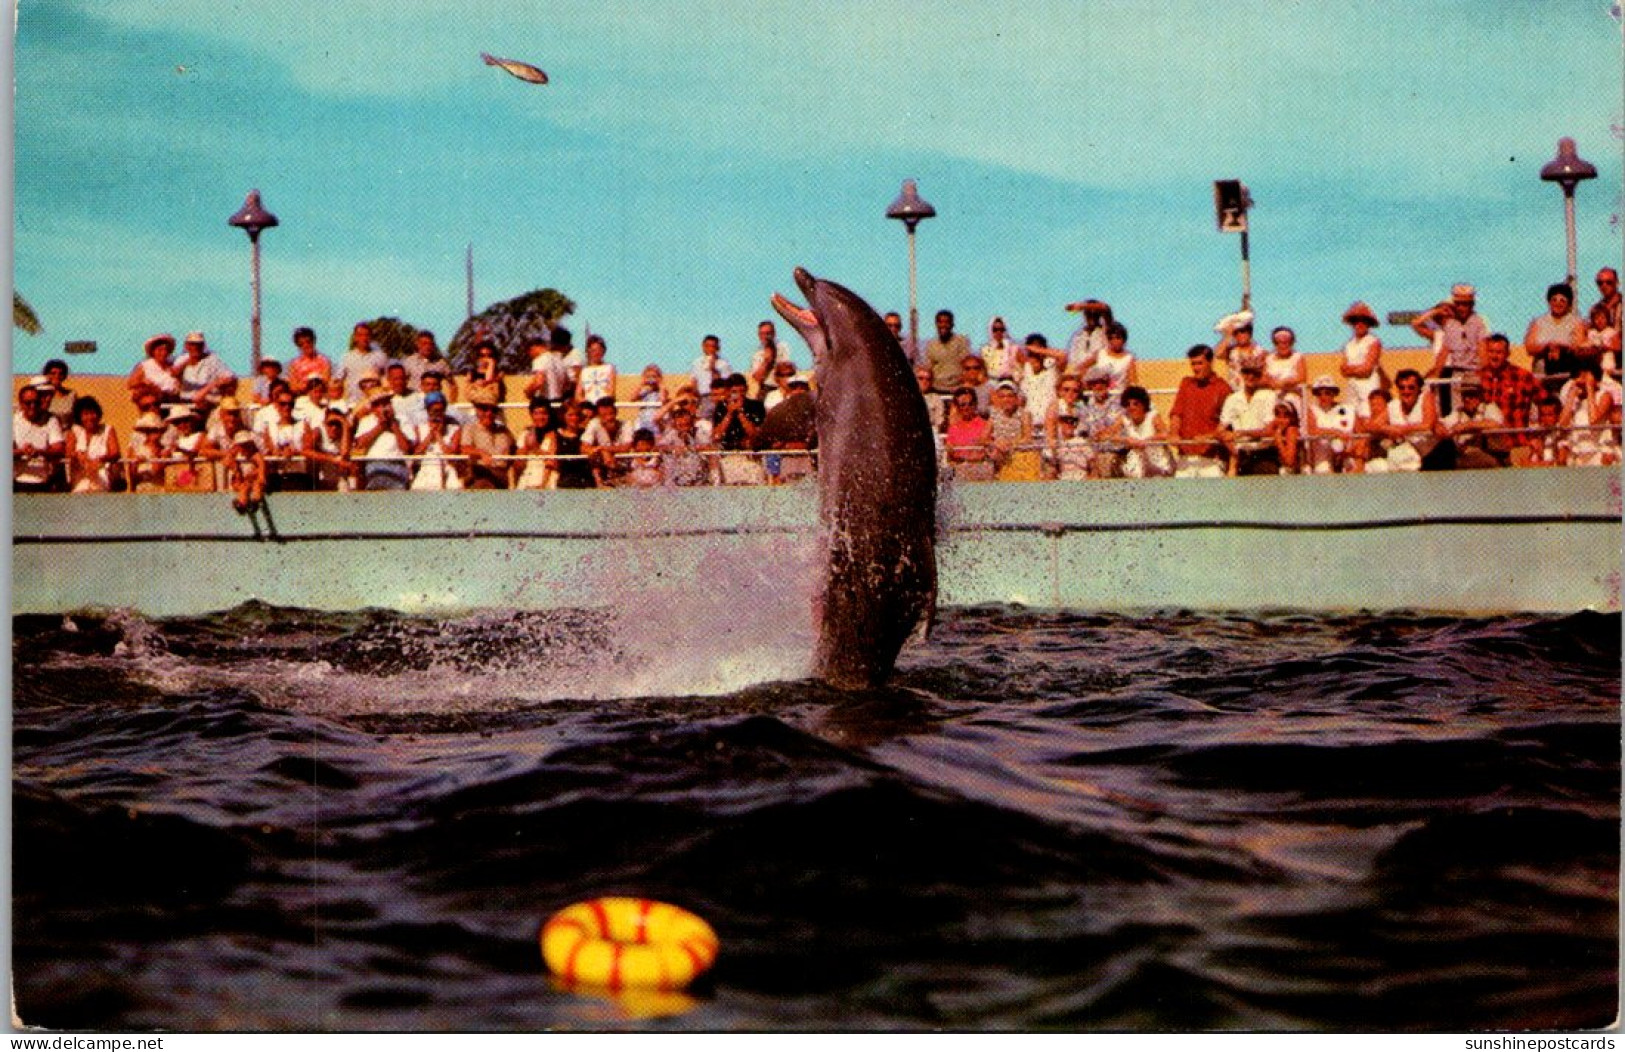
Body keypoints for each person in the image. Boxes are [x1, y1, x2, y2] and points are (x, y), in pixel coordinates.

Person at [1414, 285, 1489, 416]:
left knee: (1477, 411)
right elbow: (1444, 351)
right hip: (1456, 374)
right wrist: (1435, 378)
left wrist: (1485, 375)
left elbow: (1483, 349)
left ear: (1472, 304)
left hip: (1474, 373)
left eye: (1466, 304)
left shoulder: (1479, 322)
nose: (1462, 307)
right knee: (1456, 411)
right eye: (1459, 304)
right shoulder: (1450, 325)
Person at [1167, 344, 1233, 478]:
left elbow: (1229, 426)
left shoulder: (1223, 388)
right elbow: (1176, 414)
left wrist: (1208, 437)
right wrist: (1174, 433)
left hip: (1212, 458)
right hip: (1186, 456)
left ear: (1210, 362)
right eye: (1193, 364)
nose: (1196, 368)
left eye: (1200, 363)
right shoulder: (1186, 384)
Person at [1365, 369, 1442, 472]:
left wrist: (1402, 429)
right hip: (1413, 457)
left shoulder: (1425, 398)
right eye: (1402, 388)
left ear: (1419, 389)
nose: (1406, 391)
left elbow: (1427, 424)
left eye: (1411, 387)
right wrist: (1389, 429)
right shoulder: (1394, 406)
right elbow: (1372, 426)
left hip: (1436, 454)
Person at [1524, 282, 1590, 393]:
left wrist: (1562, 347)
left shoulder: (1576, 322)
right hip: (1542, 375)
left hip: (1567, 375)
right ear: (1549, 302)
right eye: (1554, 300)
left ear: (1569, 303)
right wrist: (1546, 347)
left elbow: (1580, 347)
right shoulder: (1539, 322)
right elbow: (1529, 347)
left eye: (1562, 300)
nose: (1557, 303)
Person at [1220, 358, 1280, 475]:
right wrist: (1233, 450)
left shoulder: (1269, 396)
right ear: (1241, 374)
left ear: (1261, 375)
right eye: (1247, 372)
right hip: (1242, 456)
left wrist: (1242, 433)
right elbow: (1220, 429)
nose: (1251, 376)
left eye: (1255, 373)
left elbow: (1269, 431)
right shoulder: (1232, 399)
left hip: (1264, 455)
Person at [1102, 385, 1173, 479]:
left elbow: (1166, 434)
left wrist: (1147, 441)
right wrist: (1126, 440)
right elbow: (1106, 435)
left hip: (1157, 459)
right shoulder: (1124, 418)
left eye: (1136, 404)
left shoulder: (1152, 416)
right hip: (1138, 462)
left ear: (1144, 405)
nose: (1131, 408)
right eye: (1128, 404)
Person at [1478, 332, 1543, 433]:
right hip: (1484, 442)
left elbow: (1545, 402)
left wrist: (1537, 434)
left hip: (1515, 440)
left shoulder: (1523, 376)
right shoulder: (1479, 377)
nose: (1494, 356)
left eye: (1499, 352)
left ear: (1508, 354)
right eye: (1491, 352)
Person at [351, 388, 413, 490]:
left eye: (386, 403)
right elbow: (360, 444)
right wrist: (380, 426)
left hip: (396, 465)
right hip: (374, 467)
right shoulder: (366, 421)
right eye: (379, 405)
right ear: (373, 408)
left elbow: (406, 448)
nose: (384, 408)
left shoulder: (402, 419)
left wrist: (394, 425)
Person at [1559, 362, 1619, 467]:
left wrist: (1590, 389)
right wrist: (1571, 398)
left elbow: (1594, 421)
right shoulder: (1575, 400)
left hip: (1598, 453)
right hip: (1578, 453)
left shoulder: (1604, 396)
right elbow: (1562, 424)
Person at [1438, 378, 1507, 469]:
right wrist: (1440, 428)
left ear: (1480, 395)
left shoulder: (1489, 408)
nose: (1467, 399)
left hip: (1492, 457)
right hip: (1465, 457)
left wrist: (1467, 425)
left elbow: (1496, 424)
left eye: (1471, 395)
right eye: (1464, 395)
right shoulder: (1458, 413)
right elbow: (1443, 424)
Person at [711, 373, 766, 484]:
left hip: (750, 457)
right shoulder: (721, 407)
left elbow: (755, 434)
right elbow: (716, 436)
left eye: (742, 391)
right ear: (727, 392)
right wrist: (730, 413)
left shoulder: (756, 406)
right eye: (734, 392)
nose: (739, 395)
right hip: (728, 457)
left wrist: (741, 413)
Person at [257, 383, 313, 491]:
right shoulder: (269, 427)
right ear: (277, 405)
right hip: (276, 475)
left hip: (298, 474)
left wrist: (295, 452)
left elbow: (308, 448)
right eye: (283, 404)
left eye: (290, 404)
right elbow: (268, 448)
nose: (287, 407)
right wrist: (277, 452)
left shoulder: (303, 425)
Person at [13, 383, 66, 493]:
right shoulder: (12, 421)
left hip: (43, 482)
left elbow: (59, 449)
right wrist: (22, 452)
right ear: (21, 404)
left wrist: (40, 452)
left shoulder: (51, 420)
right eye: (28, 403)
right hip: (16, 482)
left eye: (36, 402)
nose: (33, 406)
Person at [1075, 368, 1126, 479]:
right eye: (1094, 384)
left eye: (1101, 382)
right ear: (1090, 386)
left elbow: (1122, 427)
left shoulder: (1119, 405)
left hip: (1116, 452)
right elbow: (1082, 433)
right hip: (1093, 453)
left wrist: (1108, 434)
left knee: (1107, 461)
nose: (1098, 386)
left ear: (1107, 384)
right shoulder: (1085, 408)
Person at [408, 391, 464, 490]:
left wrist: (438, 436)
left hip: (448, 468)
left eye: (440, 410)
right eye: (434, 410)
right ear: (428, 410)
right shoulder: (420, 428)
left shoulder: (454, 429)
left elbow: (452, 457)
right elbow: (416, 455)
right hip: (426, 468)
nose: (437, 414)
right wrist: (430, 434)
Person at [65, 395, 121, 493]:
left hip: (101, 481)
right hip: (79, 482)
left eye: (92, 413)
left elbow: (115, 452)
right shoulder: (74, 431)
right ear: (80, 417)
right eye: (86, 414)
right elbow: (68, 452)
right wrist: (78, 455)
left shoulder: (108, 429)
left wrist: (101, 459)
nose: (90, 417)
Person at [461, 395, 517, 489]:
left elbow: (514, 449)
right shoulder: (471, 428)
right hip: (481, 473)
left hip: (502, 473)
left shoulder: (504, 430)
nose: (489, 413)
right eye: (484, 409)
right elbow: (465, 449)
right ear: (477, 411)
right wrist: (481, 453)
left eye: (493, 410)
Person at [1338, 301, 1386, 411]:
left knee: (1368, 412)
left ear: (1368, 324)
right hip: (1352, 387)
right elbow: (1342, 369)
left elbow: (1367, 369)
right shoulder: (1348, 344)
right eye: (1356, 321)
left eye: (1363, 321)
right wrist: (1358, 368)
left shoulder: (1373, 341)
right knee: (1351, 415)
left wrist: (1352, 369)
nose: (1359, 324)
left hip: (1368, 386)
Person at [539, 400, 597, 489]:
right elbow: (550, 462)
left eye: (577, 415)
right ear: (563, 416)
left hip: (585, 480)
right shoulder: (555, 435)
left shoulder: (586, 434)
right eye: (570, 415)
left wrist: (599, 482)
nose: (574, 418)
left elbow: (593, 462)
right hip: (565, 481)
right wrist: (543, 484)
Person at [1304, 376, 1356, 474]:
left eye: (1327, 393)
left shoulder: (1346, 409)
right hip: (1322, 457)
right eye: (1319, 394)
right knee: (1323, 470)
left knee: (1351, 467)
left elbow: (1355, 431)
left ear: (1334, 394)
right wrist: (1335, 432)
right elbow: (1313, 431)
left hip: (1345, 453)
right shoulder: (1312, 410)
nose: (1323, 397)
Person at [944, 387, 996, 481]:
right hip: (962, 466)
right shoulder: (953, 428)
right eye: (962, 405)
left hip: (981, 465)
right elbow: (950, 452)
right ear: (957, 407)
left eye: (970, 404)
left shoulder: (985, 425)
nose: (967, 408)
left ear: (975, 404)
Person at [986, 380, 1035, 480]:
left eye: (1010, 396)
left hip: (1019, 458)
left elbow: (1028, 438)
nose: (1006, 399)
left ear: (1016, 398)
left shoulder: (1024, 414)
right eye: (1002, 396)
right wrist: (995, 443)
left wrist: (1009, 444)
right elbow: (982, 438)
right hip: (999, 458)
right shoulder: (994, 415)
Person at [658, 402, 714, 486]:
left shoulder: (698, 432)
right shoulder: (672, 433)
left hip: (698, 474)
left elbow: (709, 446)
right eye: (680, 425)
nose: (684, 428)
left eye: (686, 425)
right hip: (678, 474)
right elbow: (659, 446)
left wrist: (691, 448)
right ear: (675, 424)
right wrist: (673, 448)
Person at [582, 395, 633, 486]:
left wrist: (604, 449)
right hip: (602, 467)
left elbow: (626, 447)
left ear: (616, 412)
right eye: (604, 415)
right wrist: (601, 452)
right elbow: (584, 447)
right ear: (598, 416)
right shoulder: (594, 423)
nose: (609, 418)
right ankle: (600, 483)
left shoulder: (626, 424)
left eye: (611, 414)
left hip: (624, 467)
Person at [1016, 332, 1066, 424]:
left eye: (1038, 350)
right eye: (1032, 352)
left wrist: (1037, 350)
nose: (1035, 355)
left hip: (1050, 422)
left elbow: (1062, 355)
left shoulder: (1051, 367)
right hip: (1031, 423)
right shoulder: (1026, 369)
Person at [336, 322, 388, 403]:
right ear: (355, 337)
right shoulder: (346, 357)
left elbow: (386, 378)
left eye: (367, 335)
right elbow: (338, 380)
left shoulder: (380, 356)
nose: (364, 338)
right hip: (353, 402)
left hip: (374, 402)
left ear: (371, 337)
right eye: (360, 335)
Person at [163, 405, 211, 490]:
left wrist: (180, 450)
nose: (182, 425)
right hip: (177, 478)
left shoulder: (200, 436)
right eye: (177, 422)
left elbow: (195, 454)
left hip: (196, 477)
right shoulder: (176, 441)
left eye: (185, 421)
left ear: (191, 421)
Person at [923, 310, 972, 393]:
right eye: (940, 322)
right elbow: (928, 368)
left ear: (952, 324)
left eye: (947, 322)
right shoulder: (931, 345)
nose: (943, 325)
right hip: (937, 388)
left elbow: (967, 365)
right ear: (936, 324)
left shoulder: (962, 341)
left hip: (958, 387)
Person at [127, 333, 182, 406]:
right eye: (160, 350)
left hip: (172, 401)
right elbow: (130, 383)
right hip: (153, 404)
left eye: (165, 350)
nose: (163, 353)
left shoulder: (174, 366)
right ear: (153, 351)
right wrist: (144, 382)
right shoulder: (145, 366)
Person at [307, 408, 354, 492]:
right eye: (331, 424)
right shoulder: (318, 432)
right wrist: (332, 459)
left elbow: (344, 453)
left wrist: (344, 424)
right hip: (321, 478)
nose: (334, 428)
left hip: (340, 478)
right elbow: (305, 450)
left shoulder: (345, 433)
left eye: (337, 424)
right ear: (325, 423)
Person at [514, 397, 556, 490]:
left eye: (544, 413)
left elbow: (553, 462)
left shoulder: (555, 435)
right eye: (536, 413)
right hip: (528, 478)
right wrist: (525, 448)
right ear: (531, 415)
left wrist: (536, 449)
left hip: (547, 480)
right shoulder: (525, 434)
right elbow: (518, 465)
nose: (540, 417)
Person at [1262, 326, 1307, 412]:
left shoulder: (1297, 357)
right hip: (1272, 392)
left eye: (1286, 342)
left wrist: (1286, 382)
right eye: (1279, 343)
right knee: (1263, 397)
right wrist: (1271, 383)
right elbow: (1264, 378)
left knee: (1289, 399)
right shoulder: (1269, 359)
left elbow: (1302, 378)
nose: (1283, 346)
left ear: (1291, 343)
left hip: (1292, 392)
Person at [401, 329, 455, 401]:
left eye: (430, 344)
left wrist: (451, 403)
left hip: (433, 402)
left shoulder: (441, 363)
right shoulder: (409, 362)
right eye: (424, 343)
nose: (427, 347)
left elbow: (453, 385)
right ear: (418, 344)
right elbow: (401, 382)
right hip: (414, 402)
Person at [124, 411, 171, 492]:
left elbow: (156, 469)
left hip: (157, 490)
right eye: (151, 431)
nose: (155, 434)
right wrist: (136, 464)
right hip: (141, 489)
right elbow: (132, 477)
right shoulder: (136, 449)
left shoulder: (165, 450)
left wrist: (155, 453)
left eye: (157, 430)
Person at [1062, 300, 1112, 376]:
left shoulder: (1106, 331)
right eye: (1089, 314)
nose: (1092, 317)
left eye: (1095, 314)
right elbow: (1072, 359)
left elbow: (1106, 308)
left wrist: (1081, 306)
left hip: (1100, 376)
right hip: (1079, 375)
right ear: (1085, 315)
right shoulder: (1078, 335)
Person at [524, 332, 573, 406]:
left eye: (529, 353)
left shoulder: (539, 360)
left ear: (532, 348)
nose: (531, 356)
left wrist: (528, 391)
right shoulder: (560, 359)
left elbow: (539, 382)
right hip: (559, 401)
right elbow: (567, 383)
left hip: (546, 402)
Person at [1214, 314, 1260, 390]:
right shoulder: (1231, 351)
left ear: (1249, 332)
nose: (1239, 335)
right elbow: (1217, 354)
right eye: (1235, 333)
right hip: (1235, 392)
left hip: (1253, 391)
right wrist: (1228, 335)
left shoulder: (1259, 352)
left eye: (1242, 331)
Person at [1093, 322, 1138, 400]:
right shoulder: (1100, 354)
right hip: (1099, 397)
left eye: (1118, 338)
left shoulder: (1128, 358)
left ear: (1124, 339)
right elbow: (1083, 369)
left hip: (1118, 397)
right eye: (1111, 338)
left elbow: (1132, 381)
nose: (1114, 341)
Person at [225, 431, 267, 514]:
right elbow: (227, 462)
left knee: (256, 485)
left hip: (254, 479)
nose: (245, 448)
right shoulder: (237, 455)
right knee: (244, 488)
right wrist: (236, 470)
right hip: (244, 480)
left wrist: (260, 474)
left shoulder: (255, 455)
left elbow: (261, 464)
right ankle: (242, 504)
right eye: (242, 445)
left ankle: (255, 501)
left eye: (247, 445)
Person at [463, 340, 507, 412]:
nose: (486, 358)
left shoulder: (499, 373)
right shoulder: (472, 372)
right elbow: (467, 391)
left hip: (492, 408)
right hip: (476, 408)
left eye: (489, 356)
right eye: (482, 355)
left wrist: (491, 364)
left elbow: (489, 379)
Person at [748, 320, 788, 400]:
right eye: (762, 334)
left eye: (768, 333)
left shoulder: (782, 347)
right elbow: (757, 377)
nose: (765, 336)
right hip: (766, 388)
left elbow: (786, 368)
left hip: (783, 387)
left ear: (774, 334)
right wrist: (767, 361)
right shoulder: (757, 353)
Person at [287, 326, 333, 393]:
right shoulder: (294, 364)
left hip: (321, 396)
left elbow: (326, 381)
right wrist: (306, 386)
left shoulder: (324, 360)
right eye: (301, 344)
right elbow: (293, 387)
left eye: (308, 342)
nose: (306, 345)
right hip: (302, 398)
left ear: (314, 341)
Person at [35, 359, 76, 429]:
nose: (57, 376)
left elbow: (76, 418)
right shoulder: (40, 394)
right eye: (53, 373)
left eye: (60, 373)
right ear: (46, 374)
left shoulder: (71, 395)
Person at [1264, 399, 1302, 475]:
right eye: (1277, 414)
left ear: (1292, 417)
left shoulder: (1292, 430)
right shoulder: (1279, 429)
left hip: (1294, 473)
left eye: (1286, 415)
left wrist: (1278, 439)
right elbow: (1265, 432)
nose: (1281, 419)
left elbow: (1289, 462)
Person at [577, 334, 618, 405]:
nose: (596, 353)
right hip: (589, 408)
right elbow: (578, 394)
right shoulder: (584, 371)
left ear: (603, 351)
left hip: (604, 406)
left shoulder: (609, 368)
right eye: (593, 350)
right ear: (588, 351)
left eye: (599, 350)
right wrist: (586, 404)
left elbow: (611, 391)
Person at [688, 334, 732, 399]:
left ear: (718, 348)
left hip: (717, 396)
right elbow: (694, 381)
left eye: (713, 346)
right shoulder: (697, 363)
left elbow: (725, 384)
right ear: (703, 347)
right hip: (701, 397)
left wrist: (713, 369)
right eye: (707, 346)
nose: (710, 349)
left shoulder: (723, 364)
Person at [979, 317, 1021, 383]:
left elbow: (1022, 367)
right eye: (995, 330)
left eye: (1001, 329)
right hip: (992, 383)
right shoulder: (985, 350)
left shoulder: (1013, 348)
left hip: (1010, 382)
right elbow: (982, 370)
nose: (998, 332)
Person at [632, 364, 666, 431]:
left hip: (655, 420)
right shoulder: (645, 391)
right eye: (648, 377)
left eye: (654, 376)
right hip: (643, 419)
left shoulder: (661, 391)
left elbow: (663, 400)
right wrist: (641, 385)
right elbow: (633, 398)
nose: (651, 379)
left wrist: (660, 385)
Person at [1590, 267, 1622, 337]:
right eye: (1600, 283)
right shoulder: (1596, 308)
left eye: (1609, 282)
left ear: (1617, 283)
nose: (1604, 286)